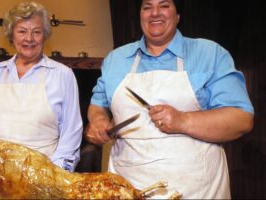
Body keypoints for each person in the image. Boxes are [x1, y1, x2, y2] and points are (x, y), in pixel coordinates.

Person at [85, 0, 254, 198]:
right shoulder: (116, 59)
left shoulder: (210, 54)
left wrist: (183, 121)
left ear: (178, 15)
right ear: (140, 15)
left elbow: (241, 120)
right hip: (128, 186)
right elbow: (98, 106)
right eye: (147, 7)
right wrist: (98, 121)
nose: (154, 13)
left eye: (164, 5)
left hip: (196, 188)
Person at [0, 1, 83, 172]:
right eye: (22, 31)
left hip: (42, 178)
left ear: (44, 35)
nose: (29, 38)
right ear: (11, 35)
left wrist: (54, 177)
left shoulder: (63, 75)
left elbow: (71, 136)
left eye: (36, 32)